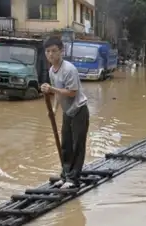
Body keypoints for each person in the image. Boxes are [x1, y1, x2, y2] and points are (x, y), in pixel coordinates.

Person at [41, 37, 89, 189]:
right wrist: (54, 109)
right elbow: (58, 94)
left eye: (54, 51)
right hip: (67, 111)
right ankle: (65, 175)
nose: (51, 55)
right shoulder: (52, 71)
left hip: (79, 110)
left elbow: (72, 92)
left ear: (62, 51)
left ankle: (73, 179)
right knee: (66, 144)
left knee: (77, 146)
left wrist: (51, 89)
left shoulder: (69, 69)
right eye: (48, 51)